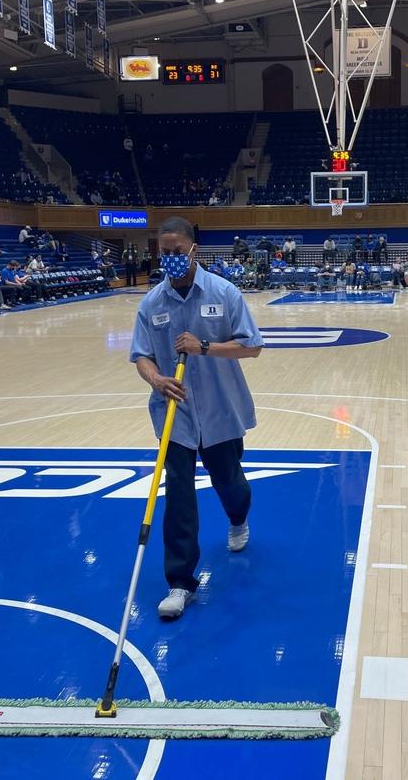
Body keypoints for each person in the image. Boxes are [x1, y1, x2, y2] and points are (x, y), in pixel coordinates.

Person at [128, 217, 264, 621]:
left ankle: (238, 519)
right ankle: (180, 582)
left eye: (175, 250)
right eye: (163, 251)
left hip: (221, 412)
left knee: (230, 484)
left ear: (193, 250)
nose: (169, 257)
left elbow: (251, 347)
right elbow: (140, 355)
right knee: (180, 498)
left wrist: (203, 346)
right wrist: (155, 379)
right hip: (175, 417)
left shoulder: (224, 293)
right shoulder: (151, 303)